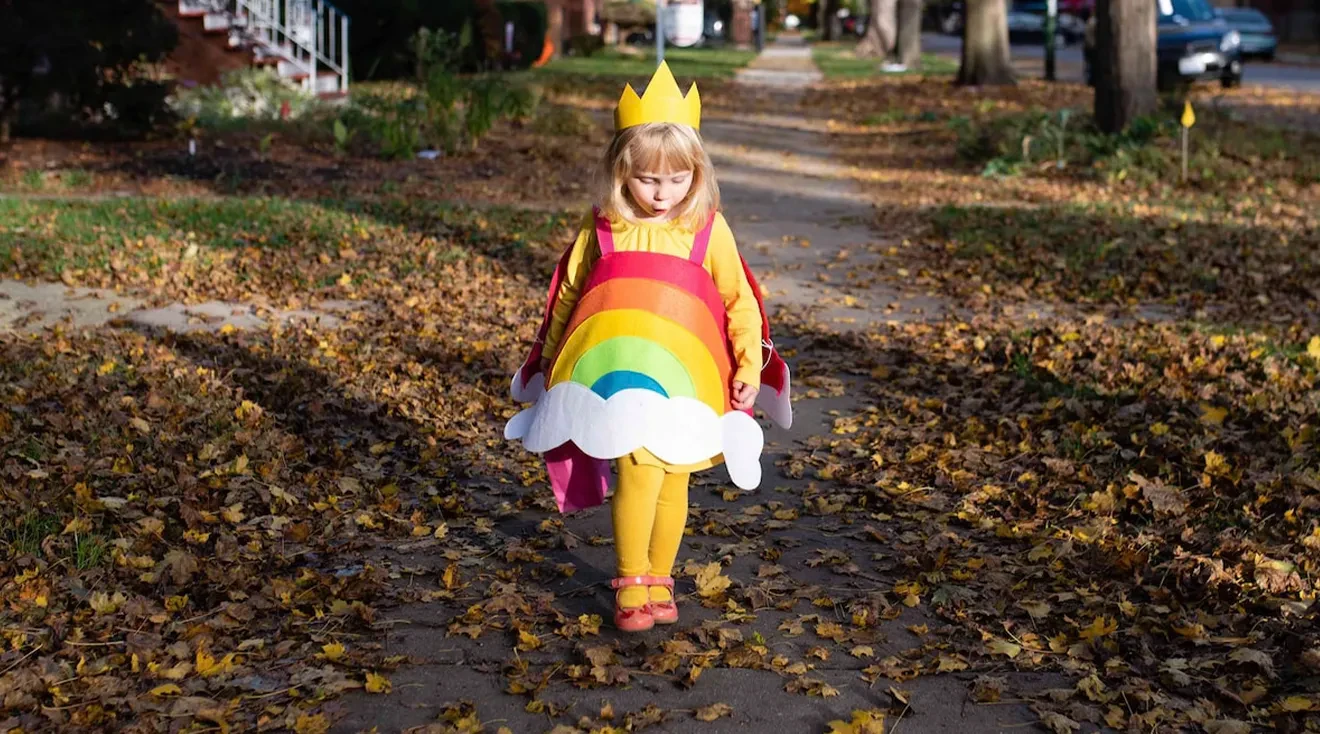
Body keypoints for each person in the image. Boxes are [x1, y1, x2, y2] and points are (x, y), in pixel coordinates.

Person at [505, 62, 792, 632]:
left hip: (689, 380)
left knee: (676, 474)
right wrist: (553, 361)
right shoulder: (604, 226)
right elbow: (568, 296)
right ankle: (632, 577)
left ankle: (660, 575)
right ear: (621, 172)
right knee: (639, 469)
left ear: (698, 174)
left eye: (678, 180)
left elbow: (738, 301)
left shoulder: (708, 228)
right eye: (648, 180)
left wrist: (748, 369)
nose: (663, 195)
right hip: (618, 379)